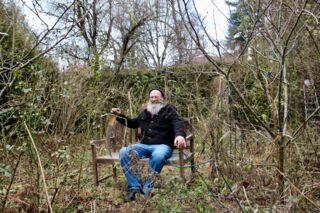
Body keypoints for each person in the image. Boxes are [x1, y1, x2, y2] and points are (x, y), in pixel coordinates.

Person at [111, 89, 186, 202]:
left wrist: (180, 136)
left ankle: (147, 188)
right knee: (124, 151)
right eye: (151, 97)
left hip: (162, 146)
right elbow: (132, 123)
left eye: (156, 97)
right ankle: (135, 187)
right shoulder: (145, 112)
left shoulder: (169, 110)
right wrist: (119, 115)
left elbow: (178, 122)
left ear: (162, 99)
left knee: (159, 155)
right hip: (144, 146)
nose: (153, 99)